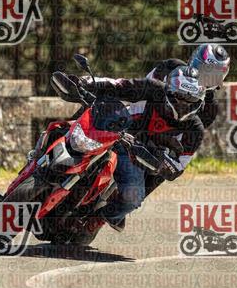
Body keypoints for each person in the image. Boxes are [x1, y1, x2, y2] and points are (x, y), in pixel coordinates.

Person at [77, 66, 206, 233]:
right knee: (77, 126)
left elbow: (178, 167)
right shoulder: (153, 88)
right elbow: (120, 85)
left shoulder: (195, 130)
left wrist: (159, 159)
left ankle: (97, 220)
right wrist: (89, 82)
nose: (184, 103)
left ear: (200, 103)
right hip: (114, 130)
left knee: (133, 198)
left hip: (136, 157)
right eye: (180, 96)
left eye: (191, 100)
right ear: (168, 91)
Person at [146, 43, 231, 128]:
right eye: (202, 69)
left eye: (213, 76)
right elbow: (146, 89)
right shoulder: (170, 66)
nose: (205, 78)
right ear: (192, 60)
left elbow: (194, 132)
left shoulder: (211, 106)